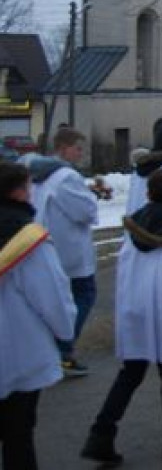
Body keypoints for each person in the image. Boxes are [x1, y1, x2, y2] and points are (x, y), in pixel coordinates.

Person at [81, 169, 162, 465]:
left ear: (148, 193)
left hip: (136, 305)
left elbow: (125, 266)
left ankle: (101, 433)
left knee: (131, 373)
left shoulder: (134, 224)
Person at [0, 162, 75, 470]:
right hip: (18, 350)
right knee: (18, 435)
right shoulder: (27, 240)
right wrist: (64, 332)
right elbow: (53, 297)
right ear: (20, 191)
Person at [27, 125, 99, 377]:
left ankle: (51, 348)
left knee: (56, 299)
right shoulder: (66, 177)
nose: (80, 154)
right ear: (63, 148)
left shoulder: (40, 174)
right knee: (84, 296)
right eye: (77, 149)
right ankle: (63, 349)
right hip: (69, 248)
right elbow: (84, 212)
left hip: (48, 243)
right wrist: (92, 200)